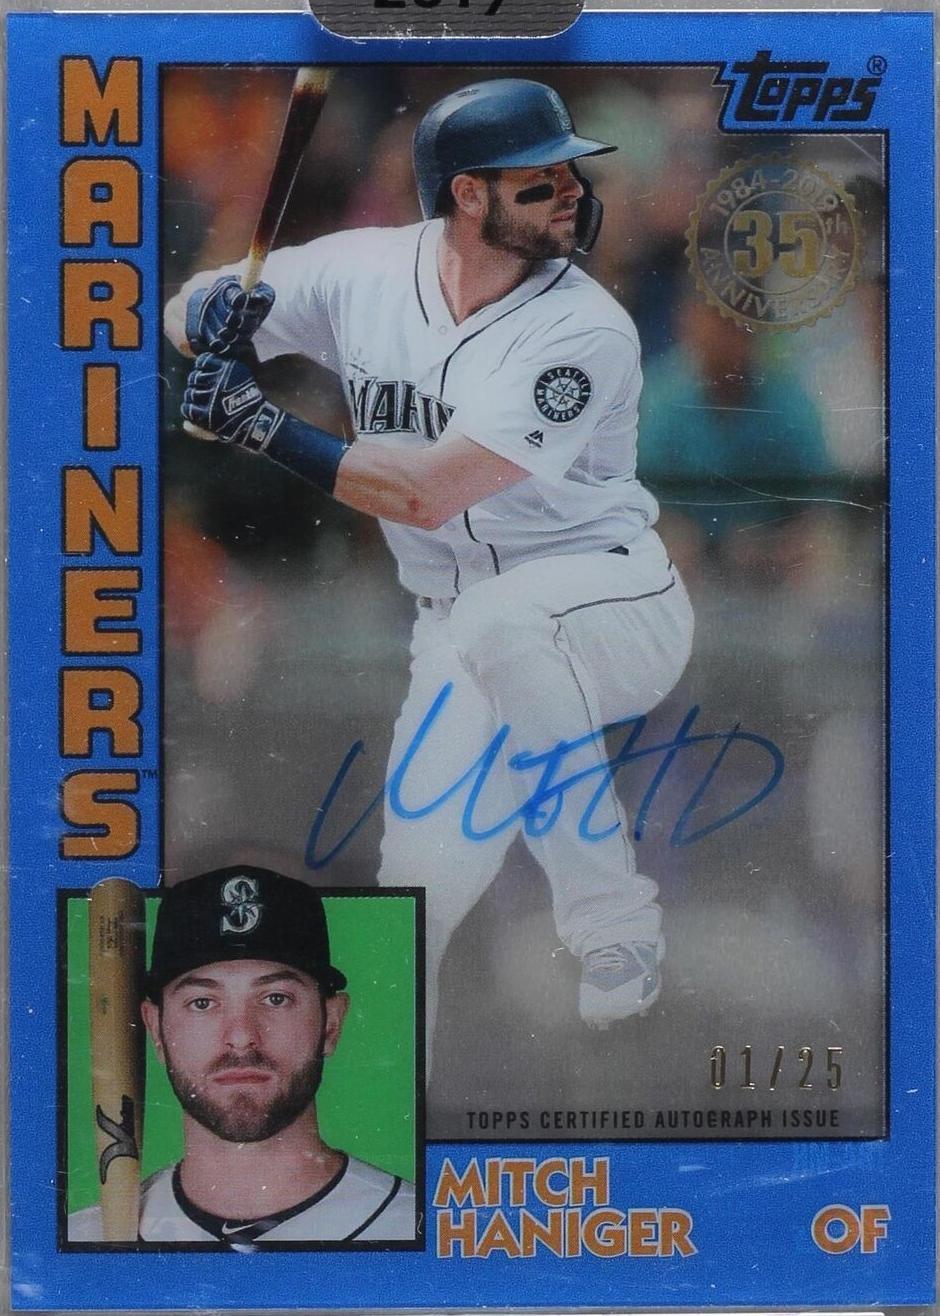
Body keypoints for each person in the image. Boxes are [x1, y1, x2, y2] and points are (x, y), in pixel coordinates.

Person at [164, 78, 695, 1041]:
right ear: (467, 194)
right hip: (453, 625)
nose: (571, 193)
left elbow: (427, 493)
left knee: (506, 620)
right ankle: (384, 1095)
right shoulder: (365, 270)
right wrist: (212, 315)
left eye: (570, 174)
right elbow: (185, 308)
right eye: (540, 179)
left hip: (611, 601)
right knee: (417, 890)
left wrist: (263, 425)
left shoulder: (584, 329)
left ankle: (617, 930)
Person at [69, 867, 416, 1245]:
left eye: (276, 999)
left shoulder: (416, 1230)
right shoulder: (83, 1241)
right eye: (203, 1003)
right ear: (156, 1030)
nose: (240, 1037)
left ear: (331, 1024)